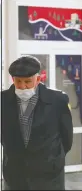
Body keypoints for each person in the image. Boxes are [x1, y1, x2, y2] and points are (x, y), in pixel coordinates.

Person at [1, 56, 73, 190]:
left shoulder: (58, 100)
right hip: (15, 175)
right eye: (18, 81)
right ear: (13, 79)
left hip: (49, 176)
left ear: (38, 79)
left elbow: (67, 138)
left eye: (28, 81)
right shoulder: (3, 100)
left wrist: (54, 159)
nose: (22, 86)